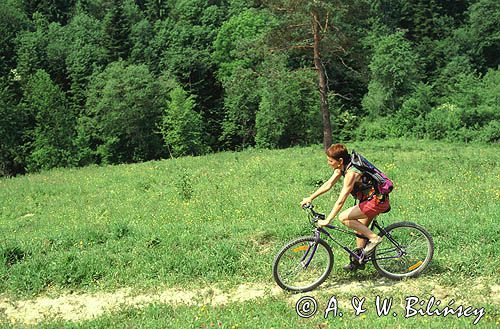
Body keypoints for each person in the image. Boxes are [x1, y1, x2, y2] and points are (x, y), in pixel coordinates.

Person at [300, 143, 390, 271]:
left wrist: (328, 219)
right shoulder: (341, 167)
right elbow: (328, 184)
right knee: (360, 230)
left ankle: (375, 239)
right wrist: (310, 197)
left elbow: (341, 199)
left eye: (330, 160)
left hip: (377, 201)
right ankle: (359, 261)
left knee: (344, 218)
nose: (328, 163)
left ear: (340, 161)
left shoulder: (351, 173)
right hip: (368, 200)